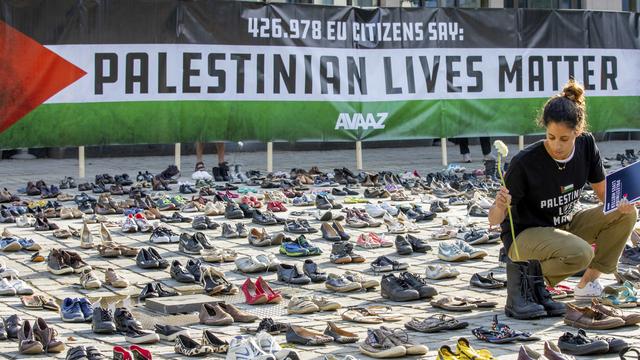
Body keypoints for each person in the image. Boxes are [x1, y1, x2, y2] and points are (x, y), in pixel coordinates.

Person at [488, 80, 637, 319]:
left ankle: (586, 286)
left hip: (564, 226)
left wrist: (624, 201)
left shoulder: (587, 145)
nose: (556, 145)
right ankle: (525, 283)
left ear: (577, 132)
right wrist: (498, 206)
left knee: (627, 214)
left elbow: (604, 197)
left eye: (564, 139)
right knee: (581, 253)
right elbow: (494, 221)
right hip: (524, 238)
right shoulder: (525, 162)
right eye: (551, 137)